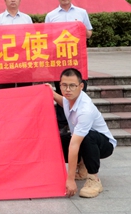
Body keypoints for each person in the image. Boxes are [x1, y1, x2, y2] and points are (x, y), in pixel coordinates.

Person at [47, 68, 116, 198]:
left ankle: (94, 179)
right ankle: (82, 166)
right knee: (56, 140)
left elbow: (74, 144)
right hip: (83, 141)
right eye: (64, 85)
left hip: (103, 145)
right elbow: (64, 102)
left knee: (86, 137)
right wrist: (50, 92)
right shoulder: (70, 99)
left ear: (81, 86)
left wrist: (70, 180)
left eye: (72, 85)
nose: (68, 89)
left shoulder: (85, 110)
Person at [0, 0, 33, 89]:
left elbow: (33, 39)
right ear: (5, 0)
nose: (13, 0)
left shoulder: (26, 19)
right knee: (7, 91)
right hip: (5, 62)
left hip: (24, 61)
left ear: (20, 0)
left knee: (25, 90)